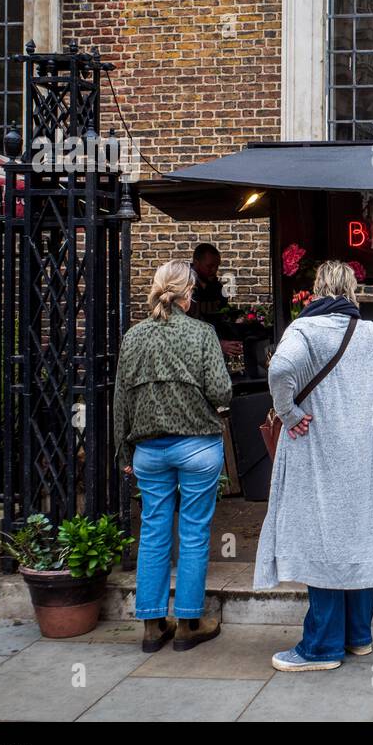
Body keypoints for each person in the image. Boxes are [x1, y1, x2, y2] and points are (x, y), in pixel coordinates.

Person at [256, 260, 373, 671]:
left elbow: (280, 367)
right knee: (359, 535)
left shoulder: (303, 330)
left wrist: (290, 413)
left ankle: (322, 647)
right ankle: (359, 637)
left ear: (317, 288)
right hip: (365, 454)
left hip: (317, 450)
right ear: (352, 291)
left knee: (322, 538)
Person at [113, 259, 233, 653]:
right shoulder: (201, 333)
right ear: (189, 294)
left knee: (152, 533)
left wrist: (123, 449)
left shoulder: (134, 337)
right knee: (195, 533)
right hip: (198, 446)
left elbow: (121, 400)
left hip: (148, 450)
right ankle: (188, 623)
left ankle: (151, 626)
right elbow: (222, 393)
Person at [190, 242, 243, 359]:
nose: (214, 270)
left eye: (217, 266)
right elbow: (186, 330)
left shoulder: (215, 286)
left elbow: (222, 312)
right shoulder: (184, 287)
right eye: (209, 266)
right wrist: (217, 344)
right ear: (196, 263)